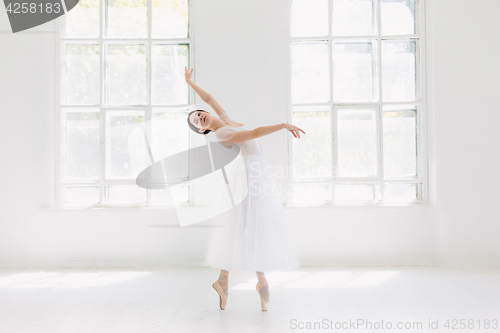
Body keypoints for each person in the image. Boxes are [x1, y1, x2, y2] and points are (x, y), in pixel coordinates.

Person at [184, 66, 305, 311]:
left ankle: (226, 280)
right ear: (203, 130)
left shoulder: (227, 121)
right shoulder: (223, 133)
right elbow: (255, 133)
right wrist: (282, 125)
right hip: (249, 179)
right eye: (197, 123)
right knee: (248, 226)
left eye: (198, 114)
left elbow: (211, 99)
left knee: (252, 225)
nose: (200, 118)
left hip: (258, 176)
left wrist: (190, 83)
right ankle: (251, 281)